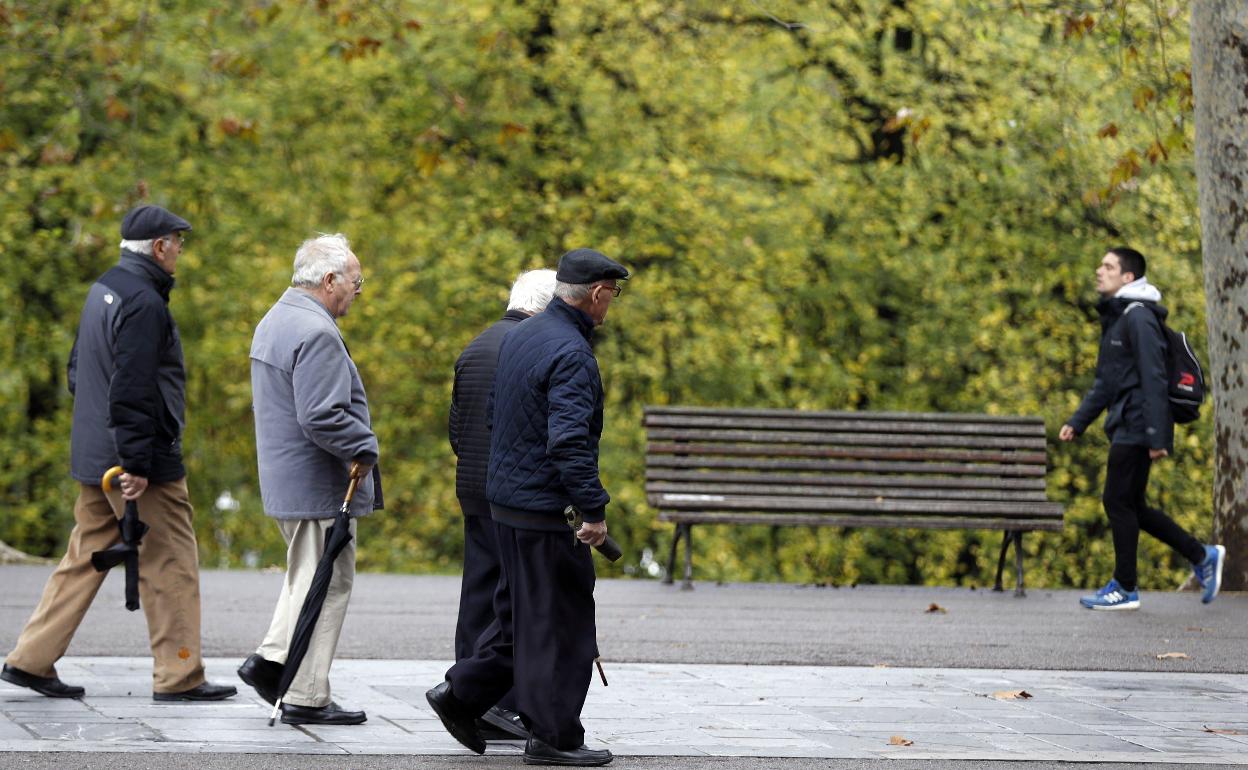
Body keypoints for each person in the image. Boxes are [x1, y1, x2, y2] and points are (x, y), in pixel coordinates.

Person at [2, 204, 237, 702]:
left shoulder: (104, 289)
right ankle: (179, 675)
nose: (180, 251)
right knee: (171, 561)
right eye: (177, 242)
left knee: (85, 556)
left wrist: (105, 444)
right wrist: (135, 462)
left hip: (96, 453)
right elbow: (132, 389)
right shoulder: (145, 304)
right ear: (158, 247)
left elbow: (77, 371)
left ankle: (31, 659)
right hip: (136, 461)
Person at [426, 248, 627, 767]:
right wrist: (593, 511)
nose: (612, 305)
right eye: (614, 294)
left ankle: (461, 695)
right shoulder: (572, 353)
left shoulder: (522, 337)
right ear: (598, 293)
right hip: (543, 511)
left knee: (519, 619)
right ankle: (554, 737)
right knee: (562, 623)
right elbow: (569, 443)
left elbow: (494, 417)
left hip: (506, 506)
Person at [237, 233, 380, 725]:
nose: (358, 292)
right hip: (317, 483)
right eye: (356, 283)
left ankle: (272, 662)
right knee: (328, 581)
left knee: (308, 576)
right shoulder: (315, 331)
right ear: (329, 280)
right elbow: (321, 416)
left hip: (287, 479)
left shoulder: (275, 319)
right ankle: (303, 691)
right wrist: (365, 446)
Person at [1061, 246, 1225, 610]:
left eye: (1108, 266)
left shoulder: (1138, 317)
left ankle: (1125, 586)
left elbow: (1154, 376)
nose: (1099, 271)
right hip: (1128, 419)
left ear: (1128, 277)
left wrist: (1157, 435)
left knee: (1116, 500)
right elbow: (1106, 382)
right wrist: (1078, 421)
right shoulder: (1120, 319)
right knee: (1133, 504)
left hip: (1138, 423)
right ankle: (1202, 555)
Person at [447, 269, 557, 741]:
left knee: (477, 595)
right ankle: (495, 702)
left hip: (471, 485)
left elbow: (456, 426)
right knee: (513, 600)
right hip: (510, 493)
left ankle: (467, 696)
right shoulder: (528, 348)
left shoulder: (475, 345)